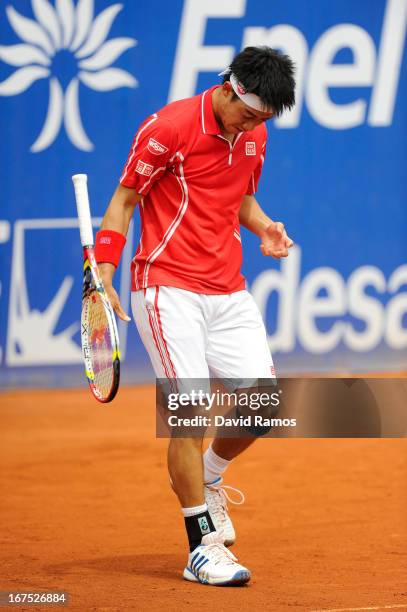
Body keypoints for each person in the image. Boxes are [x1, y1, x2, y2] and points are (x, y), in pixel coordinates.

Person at [94, 46, 296, 586]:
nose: (253, 125)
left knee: (265, 406)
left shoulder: (255, 133)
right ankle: (201, 547)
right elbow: (124, 200)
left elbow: (238, 199)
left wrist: (266, 226)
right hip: (168, 288)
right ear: (230, 88)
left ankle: (208, 478)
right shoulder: (169, 127)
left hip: (228, 289)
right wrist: (106, 269)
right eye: (249, 113)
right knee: (189, 415)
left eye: (263, 120)